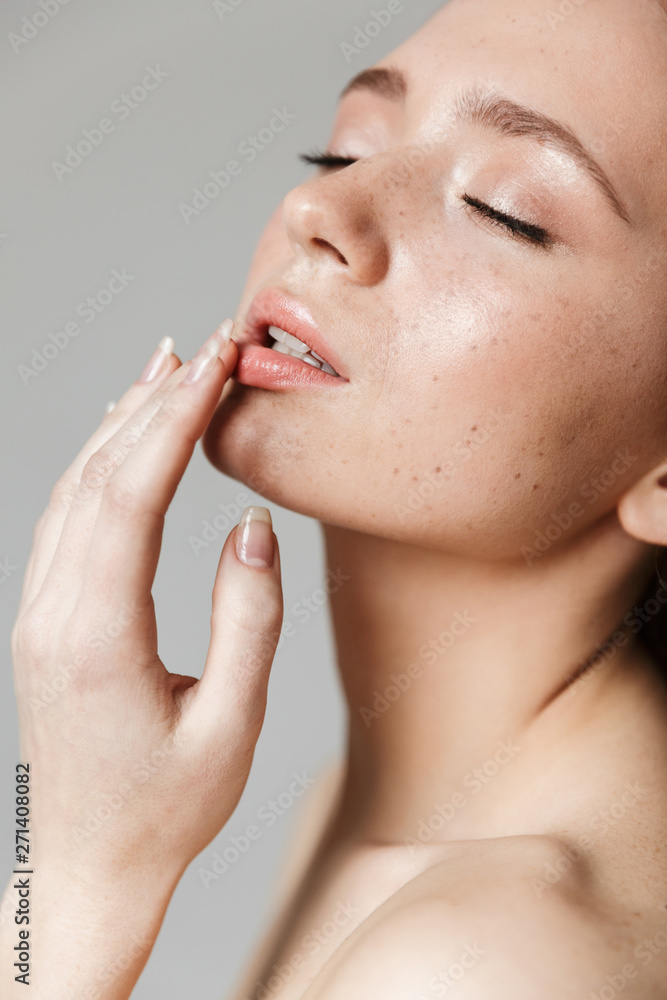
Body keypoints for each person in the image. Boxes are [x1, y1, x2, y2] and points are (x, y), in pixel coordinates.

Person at [3, 0, 667, 995]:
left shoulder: (488, 959)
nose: (323, 214)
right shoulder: (367, 821)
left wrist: (73, 884)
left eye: (504, 209)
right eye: (346, 150)